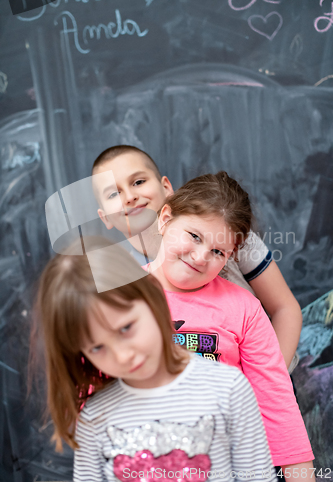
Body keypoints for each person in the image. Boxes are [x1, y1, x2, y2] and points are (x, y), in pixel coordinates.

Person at [32, 240, 277, 482]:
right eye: (97, 347)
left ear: (152, 295)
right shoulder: (94, 419)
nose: (122, 355)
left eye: (126, 328)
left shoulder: (228, 388)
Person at [145, 171, 314, 481]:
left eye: (218, 252)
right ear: (165, 218)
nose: (199, 257)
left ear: (232, 256)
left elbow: (279, 410)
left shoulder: (244, 309)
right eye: (194, 236)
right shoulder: (119, 301)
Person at [92, 145, 302, 373]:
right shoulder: (122, 279)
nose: (130, 196)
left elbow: (285, 307)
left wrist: (267, 378)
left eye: (138, 182)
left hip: (267, 373)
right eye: (114, 194)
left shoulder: (226, 230)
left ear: (166, 187)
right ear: (105, 218)